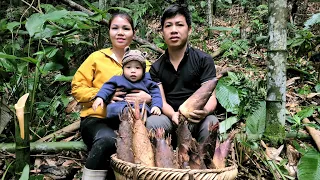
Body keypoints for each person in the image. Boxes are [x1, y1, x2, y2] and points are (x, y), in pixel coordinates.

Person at [71, 12, 152, 180]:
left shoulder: (146, 65)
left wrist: (147, 97)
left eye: (125, 28)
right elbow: (77, 87)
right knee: (108, 139)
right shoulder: (97, 58)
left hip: (134, 121)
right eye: (115, 28)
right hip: (97, 119)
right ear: (109, 32)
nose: (120, 32)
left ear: (133, 33)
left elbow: (156, 90)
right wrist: (101, 95)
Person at [146, 4, 219, 144]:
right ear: (162, 32)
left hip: (196, 118)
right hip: (169, 119)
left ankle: (205, 163)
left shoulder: (203, 60)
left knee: (211, 123)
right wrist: (173, 114)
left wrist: (204, 111)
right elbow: (161, 101)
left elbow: (211, 98)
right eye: (168, 26)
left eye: (179, 25)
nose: (174, 30)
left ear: (189, 29)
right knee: (152, 122)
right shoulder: (156, 67)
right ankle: (159, 163)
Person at [92, 47, 162, 118]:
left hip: (139, 105)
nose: (133, 71)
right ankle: (128, 113)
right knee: (111, 108)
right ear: (123, 69)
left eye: (137, 68)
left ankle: (137, 115)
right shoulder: (117, 79)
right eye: (128, 67)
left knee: (145, 109)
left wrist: (156, 106)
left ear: (143, 71)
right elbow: (106, 88)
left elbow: (156, 93)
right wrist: (100, 97)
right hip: (121, 104)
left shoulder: (147, 81)